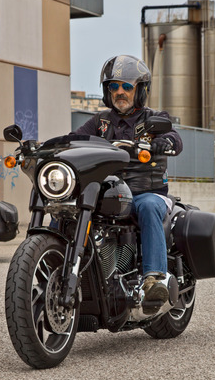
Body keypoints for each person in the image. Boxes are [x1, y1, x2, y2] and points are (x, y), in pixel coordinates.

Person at [73, 54, 182, 314]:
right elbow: (75, 139)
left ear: (140, 90)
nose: (119, 92)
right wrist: (45, 146)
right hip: (110, 194)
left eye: (126, 86)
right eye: (113, 87)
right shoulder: (100, 122)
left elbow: (175, 139)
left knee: (147, 206)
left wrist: (163, 142)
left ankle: (153, 279)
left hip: (148, 192)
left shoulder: (154, 118)